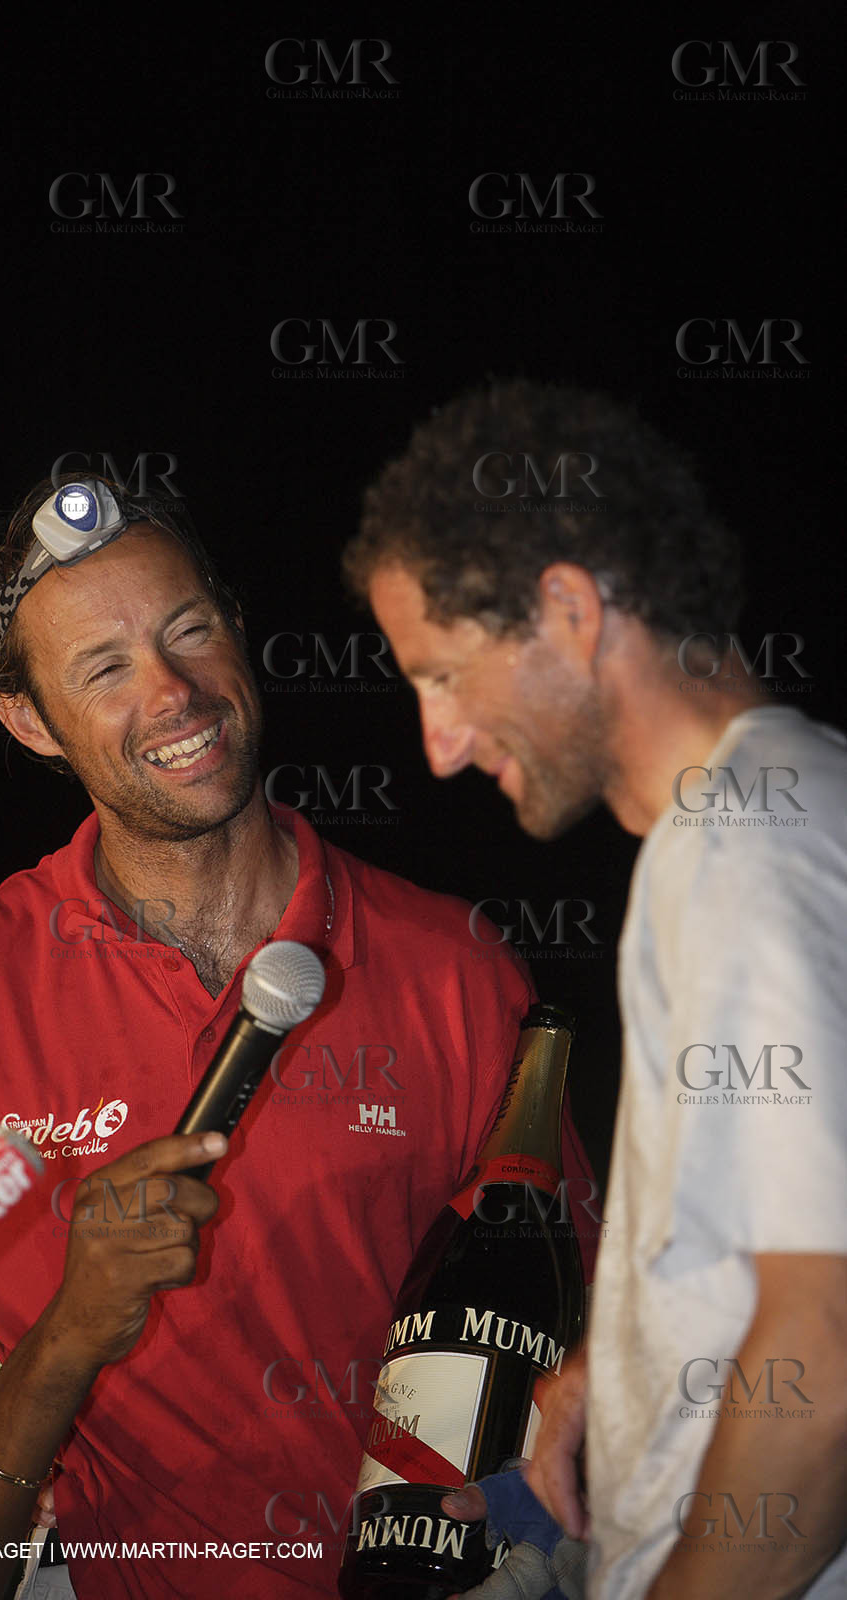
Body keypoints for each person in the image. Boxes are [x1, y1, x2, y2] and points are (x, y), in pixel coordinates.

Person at [0, 475, 597, 1600]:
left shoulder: (451, 967)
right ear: (30, 721)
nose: (172, 693)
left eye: (188, 632)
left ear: (238, 631)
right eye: (104, 668)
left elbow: (578, 1308)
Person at [344, 378, 847, 1599]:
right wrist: (605, 1383)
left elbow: (828, 1345)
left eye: (444, 675)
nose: (437, 745)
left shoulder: (739, 844)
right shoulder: (790, 795)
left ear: (567, 611)